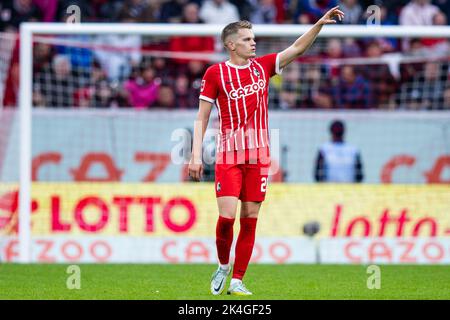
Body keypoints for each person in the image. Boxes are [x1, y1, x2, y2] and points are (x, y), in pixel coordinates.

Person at [188, 7, 344, 296]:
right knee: (227, 218)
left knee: (250, 219)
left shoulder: (264, 66)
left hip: (259, 157)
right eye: (247, 39)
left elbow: (297, 48)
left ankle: (237, 279)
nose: (253, 43)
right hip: (229, 155)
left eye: (253, 38)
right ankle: (223, 264)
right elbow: (202, 117)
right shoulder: (215, 73)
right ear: (231, 44)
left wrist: (319, 24)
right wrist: (196, 155)